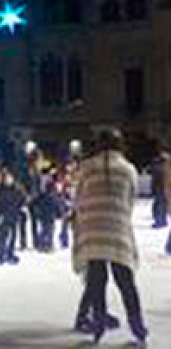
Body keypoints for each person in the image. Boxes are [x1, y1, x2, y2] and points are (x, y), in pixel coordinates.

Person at [72, 128, 147, 344]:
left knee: (97, 281)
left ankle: (97, 327)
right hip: (117, 229)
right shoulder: (128, 169)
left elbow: (78, 198)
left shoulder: (87, 167)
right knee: (126, 281)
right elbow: (131, 200)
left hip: (92, 230)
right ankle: (138, 328)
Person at [0, 168, 25, 264]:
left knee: (13, 236)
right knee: (4, 235)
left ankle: (10, 253)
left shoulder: (16, 189)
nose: (8, 180)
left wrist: (21, 207)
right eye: (6, 178)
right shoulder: (2, 190)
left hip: (14, 215)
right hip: (5, 215)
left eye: (9, 178)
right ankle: (2, 255)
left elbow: (21, 200)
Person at [150, 142, 169, 229]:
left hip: (162, 186)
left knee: (161, 203)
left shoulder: (158, 164)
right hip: (161, 186)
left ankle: (160, 220)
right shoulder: (159, 164)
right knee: (160, 203)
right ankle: (160, 219)